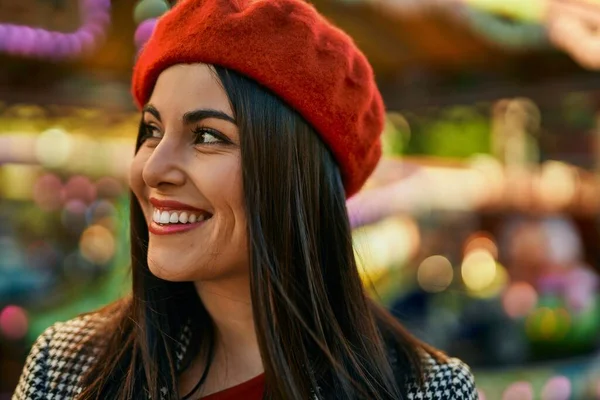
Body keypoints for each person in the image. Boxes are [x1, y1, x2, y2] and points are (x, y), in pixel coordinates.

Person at [13, 0, 477, 399]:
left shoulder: (424, 389)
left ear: (297, 176)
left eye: (207, 135)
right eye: (152, 130)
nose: (152, 168)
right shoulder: (69, 368)